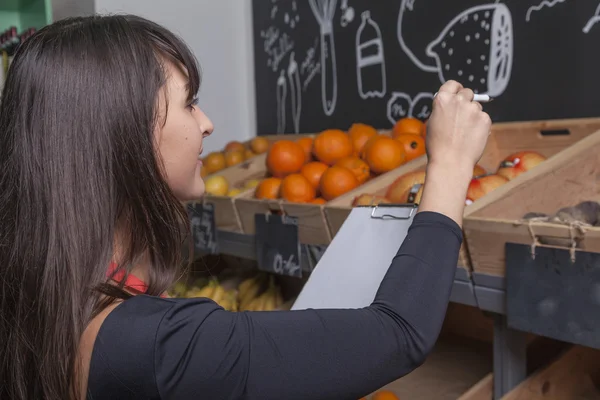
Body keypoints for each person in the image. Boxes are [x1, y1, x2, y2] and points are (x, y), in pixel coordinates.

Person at [0, 14, 492, 400]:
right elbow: (397, 333)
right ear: (123, 136)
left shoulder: (43, 292)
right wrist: (449, 164)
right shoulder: (156, 346)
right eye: (190, 103)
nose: (208, 123)